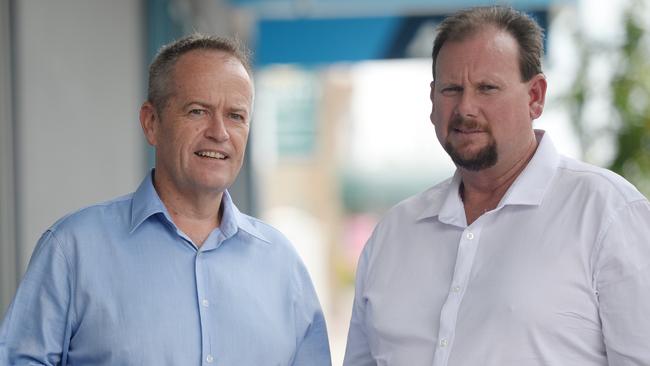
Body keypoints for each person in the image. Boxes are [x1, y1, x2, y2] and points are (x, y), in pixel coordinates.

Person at [344, 6, 650, 366]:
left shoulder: (607, 214)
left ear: (535, 96)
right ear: (431, 100)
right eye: (451, 89)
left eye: (487, 88)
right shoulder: (393, 234)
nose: (466, 107)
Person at [0, 34, 331, 365]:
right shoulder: (72, 251)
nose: (220, 132)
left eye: (236, 115)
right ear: (151, 122)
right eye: (198, 111)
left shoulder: (281, 264)